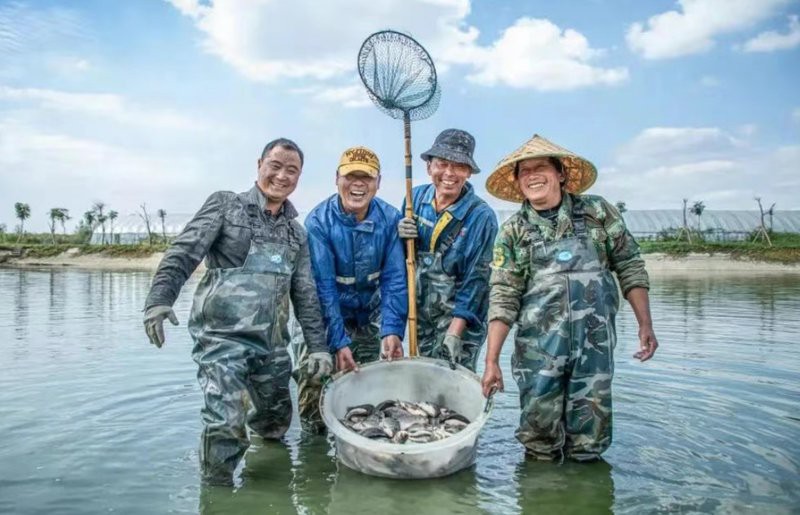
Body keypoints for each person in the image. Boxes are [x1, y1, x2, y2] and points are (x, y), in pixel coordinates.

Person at [142, 138, 331, 485]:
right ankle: (217, 492)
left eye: (292, 170)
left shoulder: (296, 233)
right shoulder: (226, 206)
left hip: (272, 347)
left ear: (299, 177)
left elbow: (305, 294)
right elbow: (182, 255)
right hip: (221, 342)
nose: (282, 175)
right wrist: (159, 299)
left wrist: (317, 347)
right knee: (225, 424)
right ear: (259, 164)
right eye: (275, 165)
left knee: (275, 424)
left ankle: (268, 488)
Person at [481, 134, 659, 462]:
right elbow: (503, 296)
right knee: (538, 440)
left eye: (541, 167)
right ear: (518, 182)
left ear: (561, 173)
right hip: (538, 355)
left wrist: (645, 324)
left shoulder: (597, 212)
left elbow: (630, 265)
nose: (532, 175)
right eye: (524, 171)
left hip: (595, 349)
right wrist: (491, 361)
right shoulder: (513, 232)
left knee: (590, 443)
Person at [296, 146, 407, 431]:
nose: (358, 184)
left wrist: (392, 329)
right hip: (325, 315)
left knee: (369, 391)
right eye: (350, 176)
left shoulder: (391, 219)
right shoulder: (318, 222)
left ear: (378, 183)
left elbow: (395, 281)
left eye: (367, 178)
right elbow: (323, 290)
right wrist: (337, 341)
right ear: (337, 179)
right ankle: (314, 443)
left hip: (368, 314)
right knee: (316, 380)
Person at [397, 129, 498, 371]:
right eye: (442, 164)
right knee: (420, 383)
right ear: (429, 167)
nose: (450, 174)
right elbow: (401, 262)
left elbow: (477, 281)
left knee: (450, 390)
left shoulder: (481, 217)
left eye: (460, 166)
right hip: (419, 317)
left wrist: (454, 332)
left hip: (460, 320)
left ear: (469, 172)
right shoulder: (415, 198)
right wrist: (399, 235)